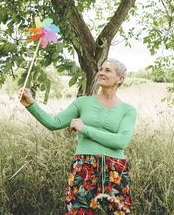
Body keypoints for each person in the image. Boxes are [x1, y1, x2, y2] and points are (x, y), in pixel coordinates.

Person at [18, 58, 137, 214]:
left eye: (107, 70)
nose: (101, 73)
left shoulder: (128, 110)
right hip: (84, 166)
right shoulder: (83, 102)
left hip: (115, 169)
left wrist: (85, 129)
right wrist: (31, 104)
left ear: (120, 79)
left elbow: (120, 141)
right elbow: (54, 123)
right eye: (101, 69)